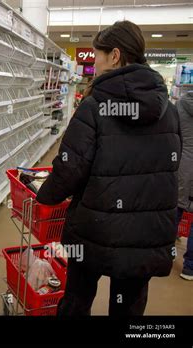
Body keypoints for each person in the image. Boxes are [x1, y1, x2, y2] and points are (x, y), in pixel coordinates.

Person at [36, 20, 182, 316]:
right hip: (147, 231)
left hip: (95, 227)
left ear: (114, 55)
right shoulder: (169, 110)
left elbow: (70, 168)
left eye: (97, 55)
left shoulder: (94, 106)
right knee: (129, 307)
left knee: (77, 300)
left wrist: (44, 194)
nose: (95, 62)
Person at [177, 91, 193, 280]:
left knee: (175, 209)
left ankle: (164, 255)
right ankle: (189, 267)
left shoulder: (181, 103)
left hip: (182, 165)